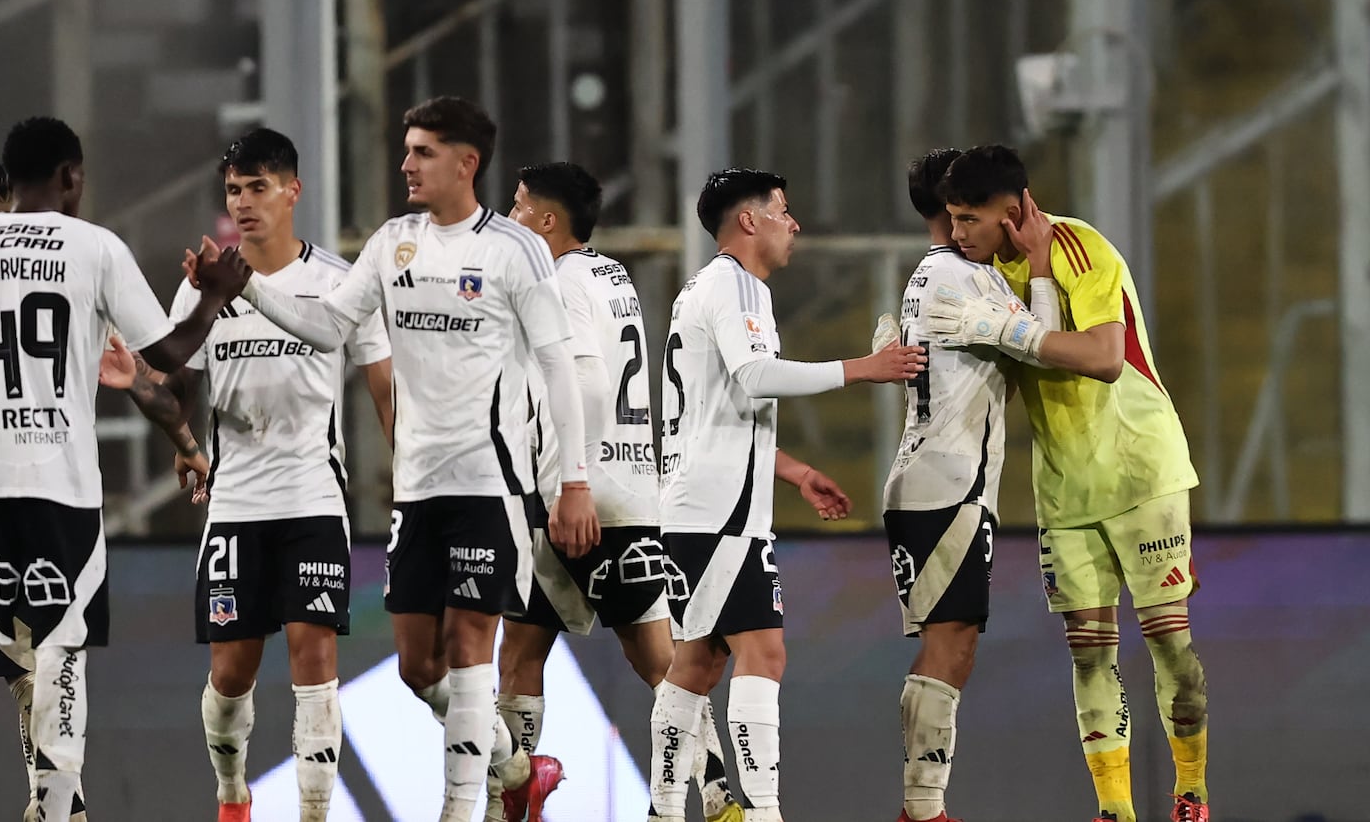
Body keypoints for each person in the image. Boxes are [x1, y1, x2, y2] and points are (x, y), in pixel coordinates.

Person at [204, 96, 599, 822]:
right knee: (419, 668)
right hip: (416, 490)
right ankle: (516, 771)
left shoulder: (512, 250)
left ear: (466, 163)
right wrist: (249, 287)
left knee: (470, 645)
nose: (406, 163)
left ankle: (460, 811)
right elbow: (328, 326)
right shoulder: (393, 243)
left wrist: (573, 482)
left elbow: (559, 369)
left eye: (422, 151)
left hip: (489, 483)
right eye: (407, 149)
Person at [0, 116, 250, 822]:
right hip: (64, 493)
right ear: (69, 176)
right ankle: (54, 805)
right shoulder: (94, 249)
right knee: (61, 651)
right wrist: (215, 295)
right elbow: (167, 358)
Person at [101, 128, 395, 822]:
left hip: (312, 497)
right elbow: (175, 393)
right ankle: (233, 796)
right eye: (234, 190)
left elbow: (384, 388)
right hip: (235, 504)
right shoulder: (202, 289)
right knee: (230, 675)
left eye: (258, 187)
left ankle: (314, 814)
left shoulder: (338, 281)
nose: (243, 202)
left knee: (313, 662)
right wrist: (139, 385)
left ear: (293, 191)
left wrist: (407, 481)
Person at [929, 143, 1208, 822]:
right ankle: (1114, 810)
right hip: (1064, 488)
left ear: (1013, 210)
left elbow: (1104, 358)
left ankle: (1192, 793)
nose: (957, 233)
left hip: (1140, 469)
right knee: (1088, 655)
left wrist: (1010, 322)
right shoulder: (983, 274)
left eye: (969, 219)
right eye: (952, 218)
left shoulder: (1080, 248)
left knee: (1169, 641)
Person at [648, 168, 927, 822]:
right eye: (782, 210)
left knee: (697, 664)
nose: (793, 223)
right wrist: (862, 369)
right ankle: (763, 811)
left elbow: (717, 411)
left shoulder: (703, 289)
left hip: (700, 503)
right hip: (721, 512)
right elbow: (754, 376)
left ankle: (663, 810)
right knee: (762, 652)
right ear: (749, 221)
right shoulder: (736, 285)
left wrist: (795, 471)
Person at [501, 162, 743, 822]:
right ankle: (515, 793)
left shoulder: (556, 282)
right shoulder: (610, 274)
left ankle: (719, 797)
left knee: (658, 660)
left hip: (583, 498)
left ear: (547, 220)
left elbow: (583, 380)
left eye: (519, 206)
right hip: (624, 487)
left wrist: (572, 483)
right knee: (522, 646)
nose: (510, 217)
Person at [881, 148, 1063, 822]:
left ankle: (923, 805)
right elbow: (1046, 347)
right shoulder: (962, 275)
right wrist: (1039, 263)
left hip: (936, 478)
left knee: (952, 639)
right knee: (950, 641)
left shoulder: (931, 273)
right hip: (948, 484)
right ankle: (923, 808)